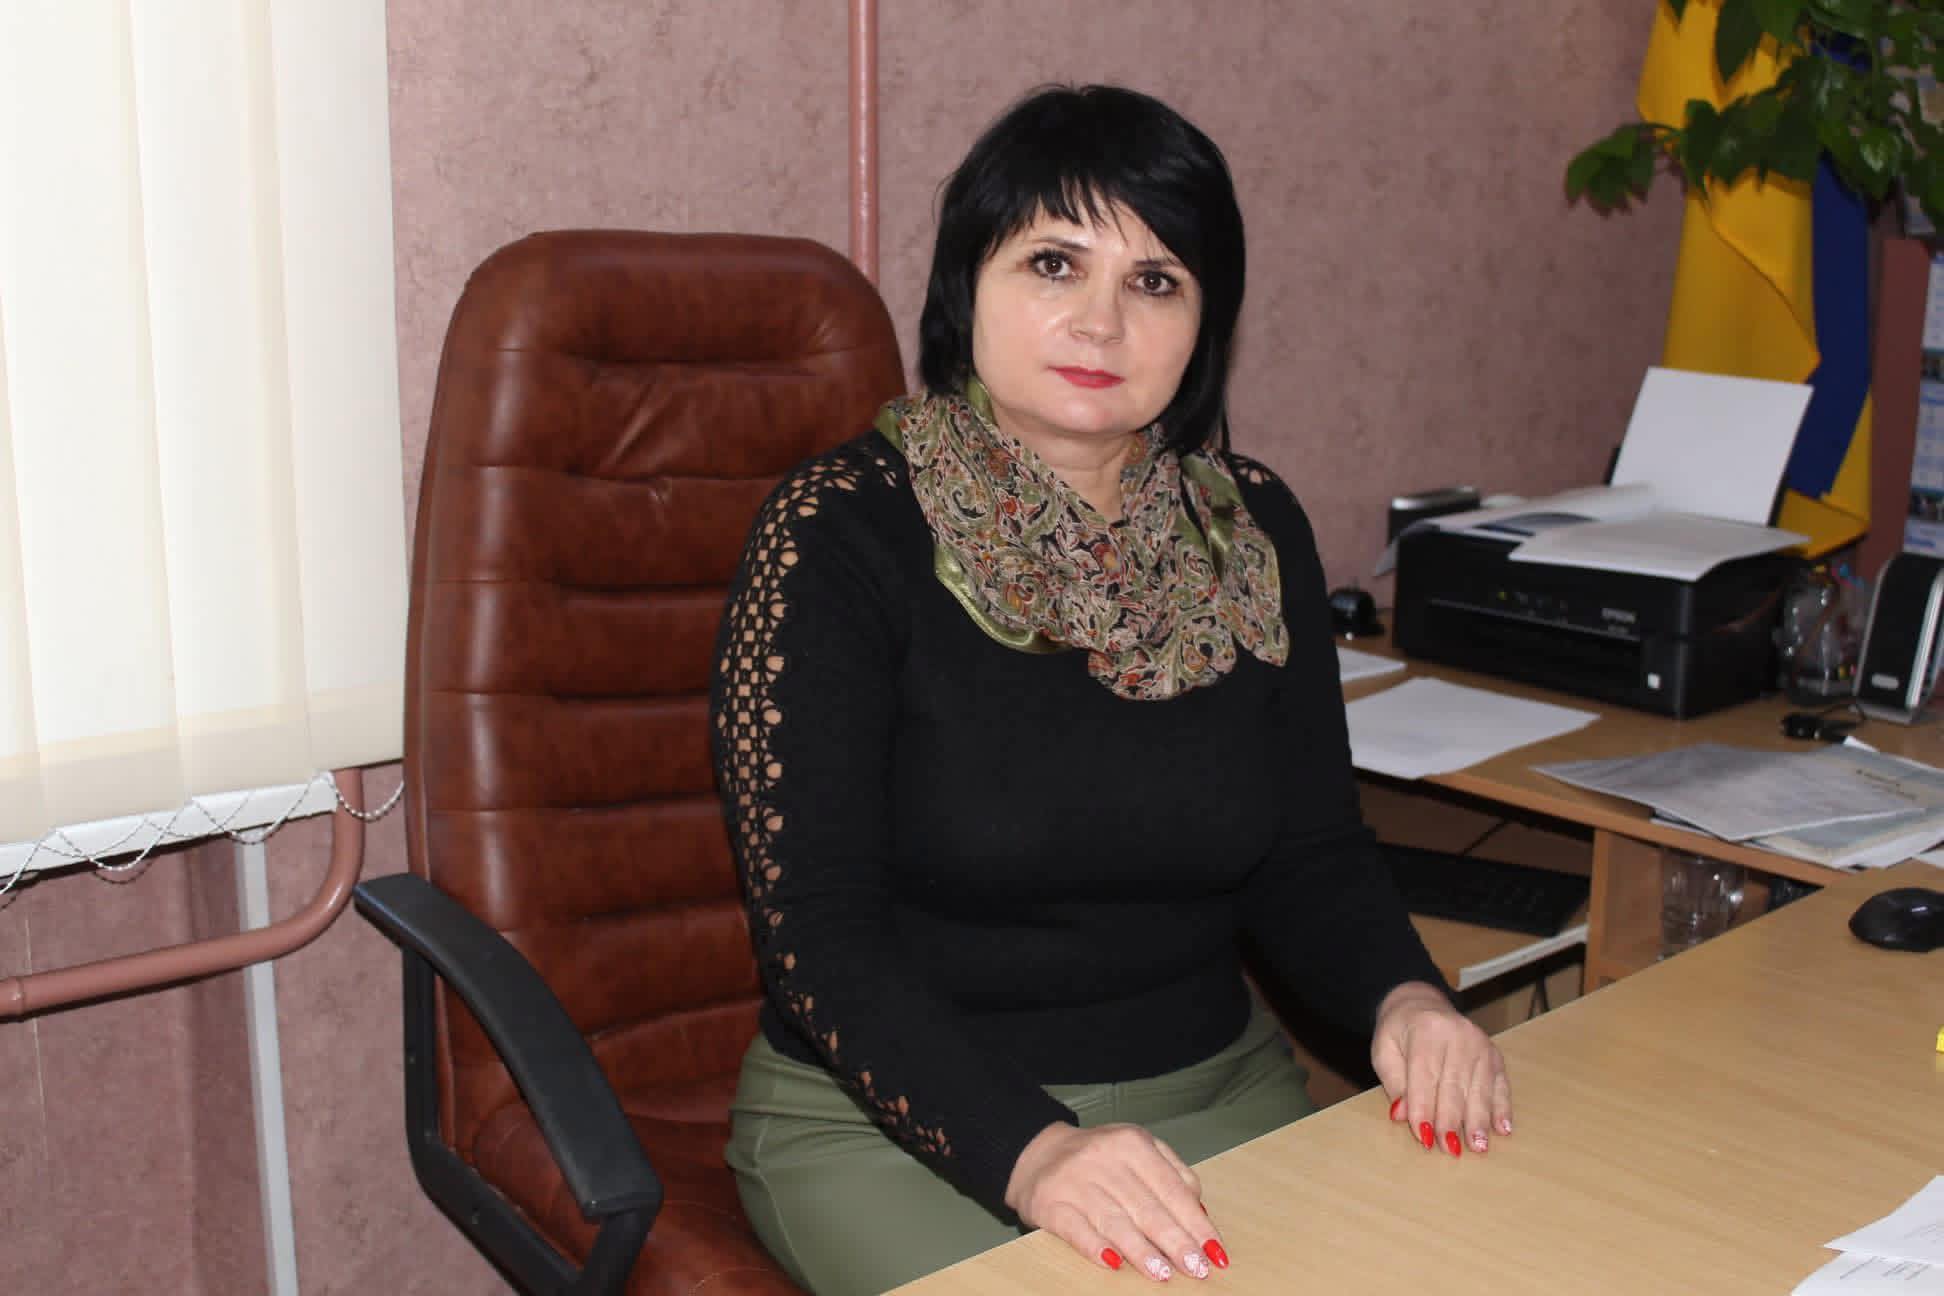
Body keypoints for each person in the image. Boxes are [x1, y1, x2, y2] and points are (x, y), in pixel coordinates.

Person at [709, 83, 1511, 1296]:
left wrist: (1407, 999)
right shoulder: (836, 533)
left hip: (1217, 1094)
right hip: (902, 1131)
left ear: (1204, 322)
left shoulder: (1252, 528)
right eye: (1053, 263)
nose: (1100, 321)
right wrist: (1034, 1155)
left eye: (1155, 280)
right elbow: (818, 935)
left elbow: (1310, 852)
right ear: (966, 284)